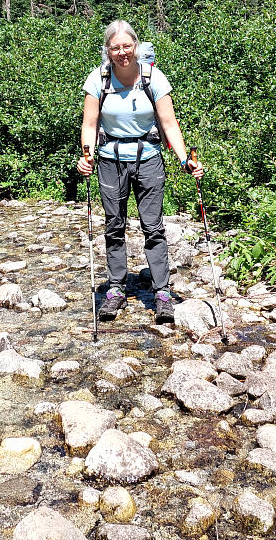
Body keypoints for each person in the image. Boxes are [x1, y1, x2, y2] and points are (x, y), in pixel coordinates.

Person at [76, 20, 204, 324]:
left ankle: (162, 293)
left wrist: (186, 159)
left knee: (153, 226)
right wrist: (86, 156)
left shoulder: (153, 78)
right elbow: (90, 125)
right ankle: (116, 289)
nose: (122, 52)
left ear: (135, 47)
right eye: (115, 47)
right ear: (107, 50)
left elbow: (169, 124)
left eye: (127, 46)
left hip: (148, 160)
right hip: (109, 160)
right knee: (113, 225)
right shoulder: (98, 80)